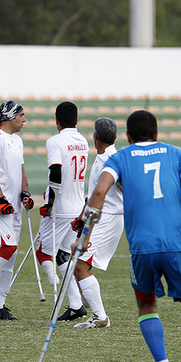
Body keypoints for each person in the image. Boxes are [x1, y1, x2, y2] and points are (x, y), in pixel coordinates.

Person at [81, 110, 181, 362]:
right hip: (178, 246)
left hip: (142, 248)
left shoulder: (119, 158)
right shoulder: (177, 154)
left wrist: (84, 237)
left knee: (146, 305)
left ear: (127, 137)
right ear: (156, 134)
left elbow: (98, 195)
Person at [0, 101, 34, 320]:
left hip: (14, 205)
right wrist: (1, 199)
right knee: (8, 248)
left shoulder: (17, 140)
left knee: (10, 257)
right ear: (9, 116)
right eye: (21, 115)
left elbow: (21, 172)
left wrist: (25, 194)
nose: (24, 119)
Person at [34, 101, 89, 322]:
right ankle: (76, 306)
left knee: (43, 252)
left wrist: (51, 202)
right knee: (63, 256)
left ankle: (57, 289)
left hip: (60, 208)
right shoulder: (83, 141)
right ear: (76, 121)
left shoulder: (55, 141)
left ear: (56, 122)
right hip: (77, 208)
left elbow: (55, 172)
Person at [70, 117, 124, 329]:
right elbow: (94, 195)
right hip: (99, 217)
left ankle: (99, 316)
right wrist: (82, 217)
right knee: (78, 264)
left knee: (81, 265)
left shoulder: (110, 160)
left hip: (107, 219)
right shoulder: (106, 157)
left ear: (95, 136)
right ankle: (93, 310)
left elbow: (122, 188)